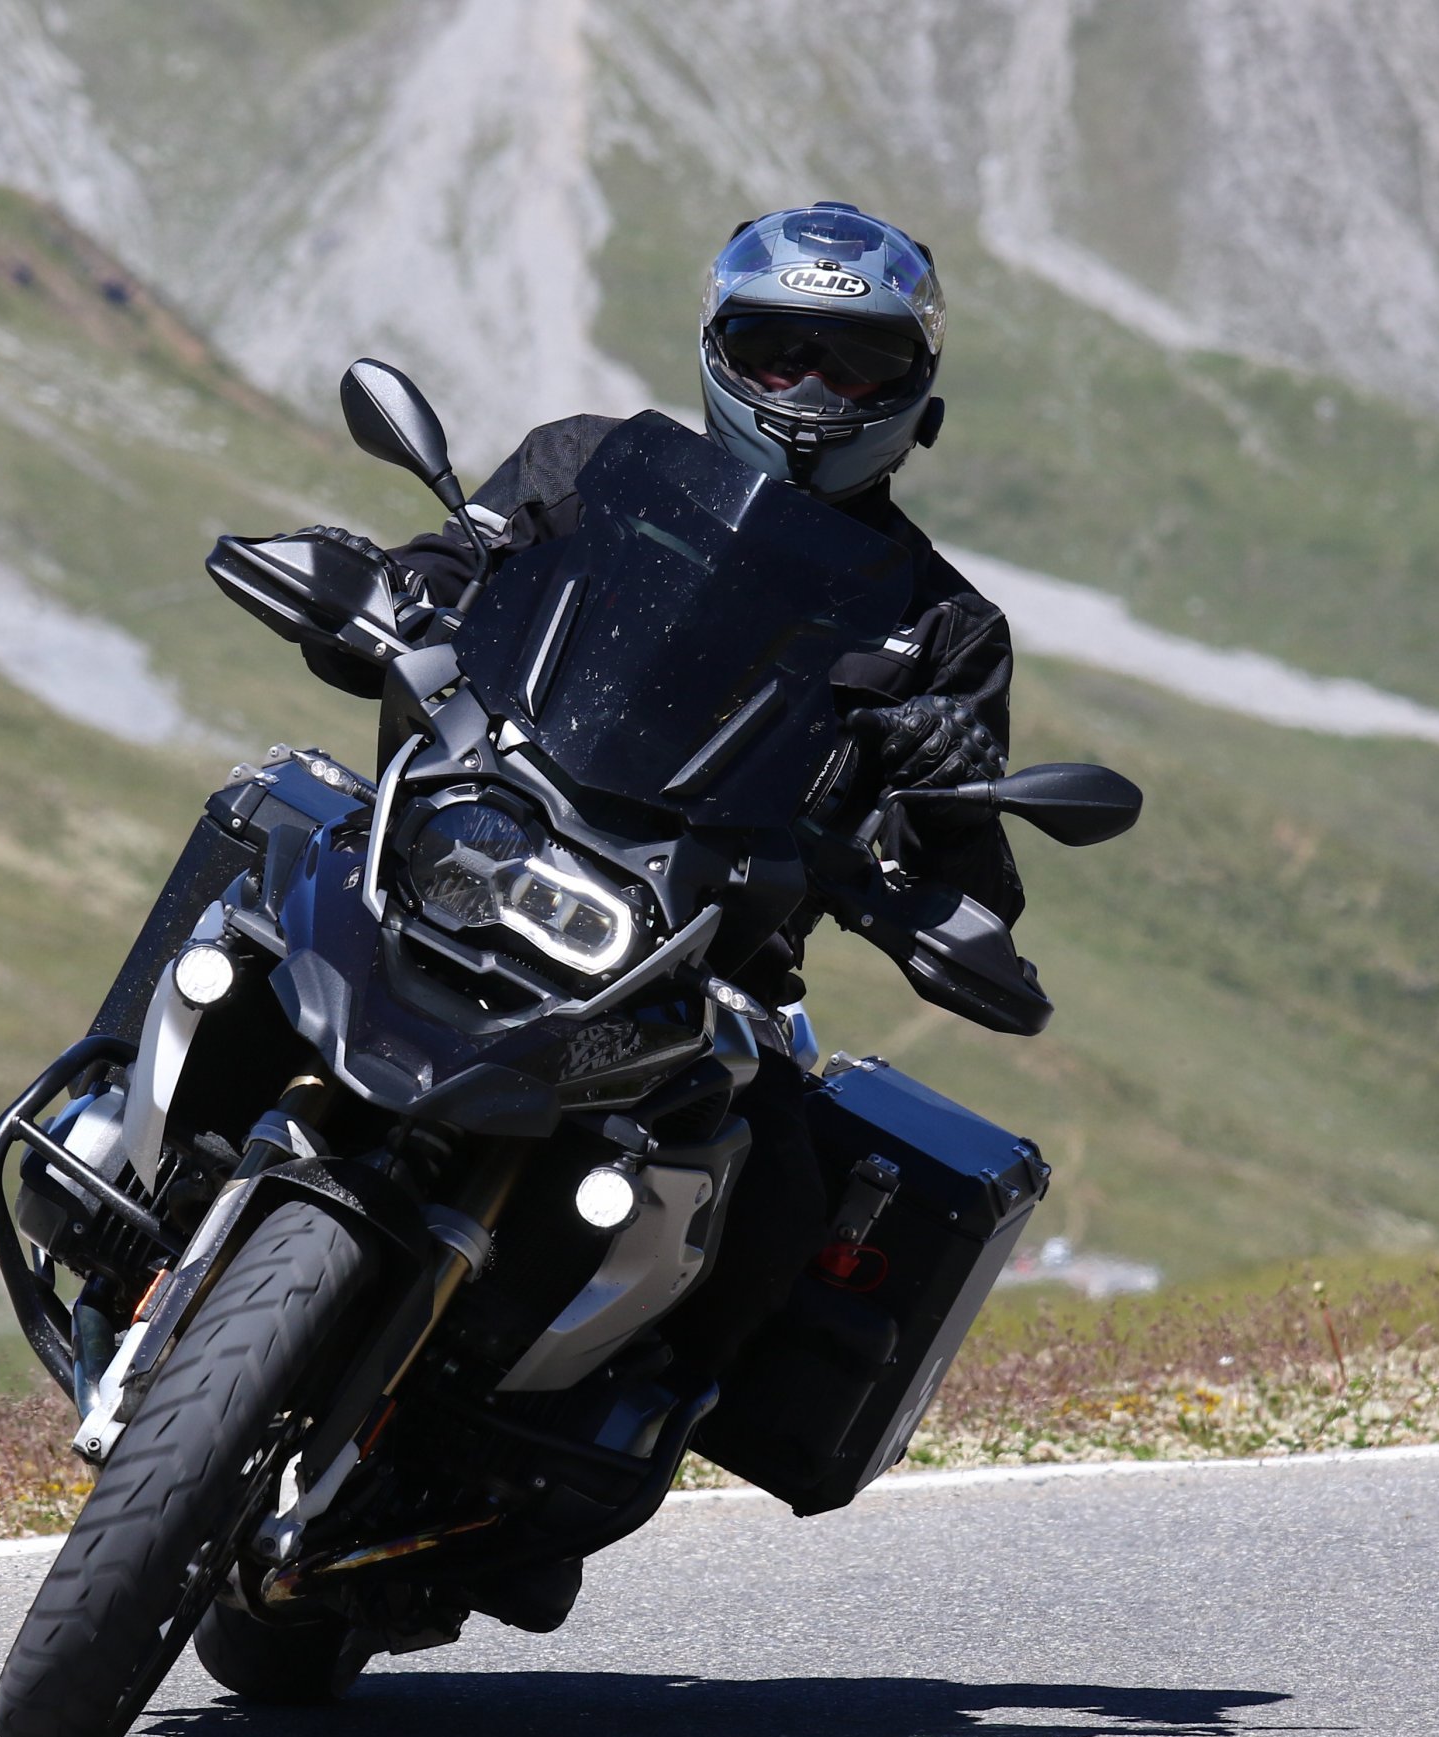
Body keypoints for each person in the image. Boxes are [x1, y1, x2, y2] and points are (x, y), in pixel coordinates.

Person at [303, 201, 1026, 1390]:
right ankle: (119, 1164)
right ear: (715, 347)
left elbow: (974, 885)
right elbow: (447, 568)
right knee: (265, 855)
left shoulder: (943, 624)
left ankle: (583, 1455)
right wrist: (378, 584)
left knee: (770, 1208)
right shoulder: (581, 463)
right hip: (474, 833)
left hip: (702, 967)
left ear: (915, 390)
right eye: (776, 349)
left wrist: (948, 783)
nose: (810, 386)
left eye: (854, 362)